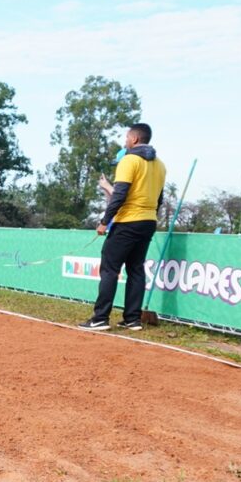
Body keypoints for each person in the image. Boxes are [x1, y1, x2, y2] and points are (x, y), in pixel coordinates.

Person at [79, 123, 168, 331]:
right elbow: (160, 198)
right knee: (136, 269)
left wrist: (104, 222)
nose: (125, 140)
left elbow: (120, 194)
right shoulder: (161, 165)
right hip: (148, 221)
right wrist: (149, 215)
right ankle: (132, 319)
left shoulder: (129, 160)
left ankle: (100, 318)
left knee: (110, 269)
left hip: (127, 221)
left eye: (127, 137)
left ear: (134, 139)